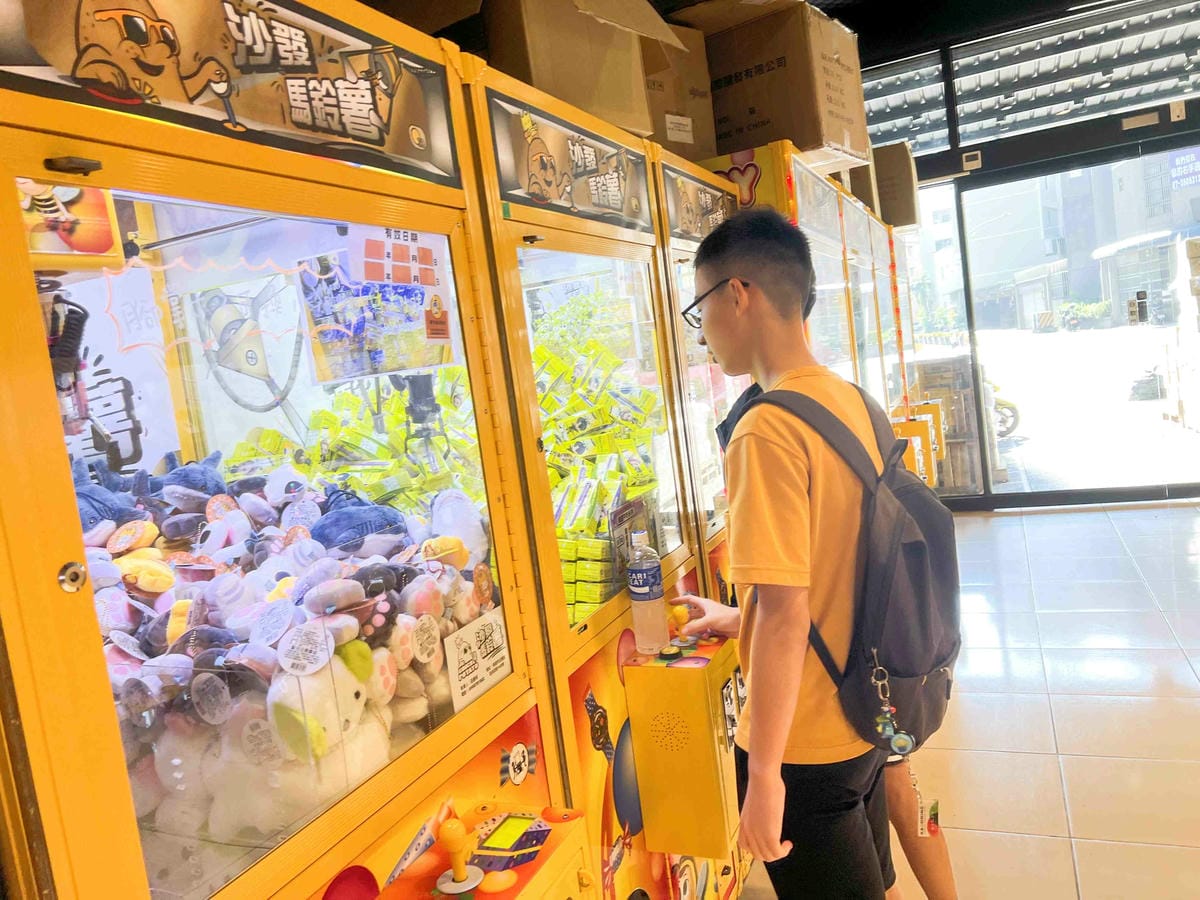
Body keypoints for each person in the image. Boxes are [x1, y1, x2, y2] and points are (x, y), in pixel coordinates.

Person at [670, 208, 901, 899]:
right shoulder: (853, 400)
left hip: (804, 747)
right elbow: (845, 576)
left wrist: (764, 773)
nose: (703, 332)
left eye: (699, 308)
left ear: (737, 295)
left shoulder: (764, 430)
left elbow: (784, 613)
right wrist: (738, 617)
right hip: (864, 714)